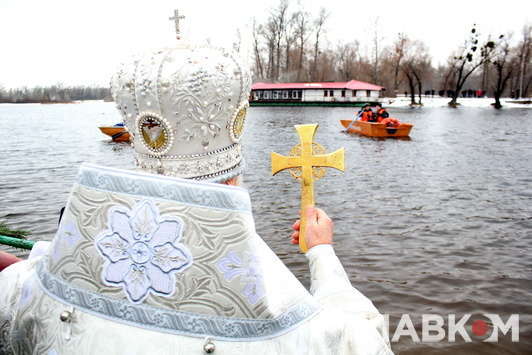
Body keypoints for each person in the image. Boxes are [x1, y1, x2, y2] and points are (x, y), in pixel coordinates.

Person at [0, 30, 392, 355]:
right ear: (234, 179)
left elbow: (21, 283)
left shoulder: (44, 288)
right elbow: (363, 341)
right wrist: (322, 252)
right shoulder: (286, 322)